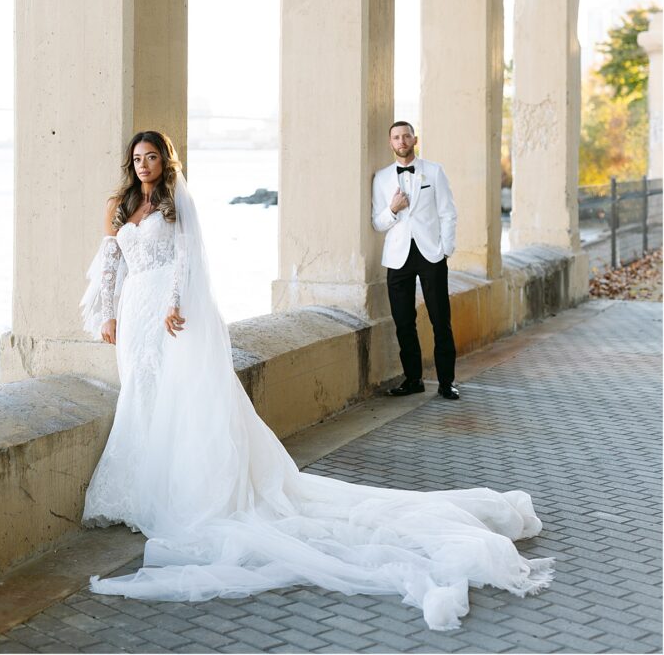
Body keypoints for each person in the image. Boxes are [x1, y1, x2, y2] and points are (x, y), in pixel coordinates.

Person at [81, 129, 553, 631]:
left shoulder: (177, 203)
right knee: (141, 394)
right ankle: (139, 489)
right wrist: (107, 314)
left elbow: (186, 258)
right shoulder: (119, 203)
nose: (144, 164)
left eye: (152, 157)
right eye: (137, 158)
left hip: (167, 314)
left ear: (165, 160)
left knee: (168, 398)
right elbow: (109, 262)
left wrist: (176, 303)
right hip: (133, 315)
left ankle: (171, 492)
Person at [372, 121, 459, 399]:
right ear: (390, 143)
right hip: (398, 258)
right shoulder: (382, 178)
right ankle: (413, 380)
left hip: (430, 254)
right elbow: (377, 223)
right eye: (396, 137)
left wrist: (445, 249)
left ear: (415, 139)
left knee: (440, 320)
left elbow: (448, 212)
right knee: (403, 321)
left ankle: (447, 383)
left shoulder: (434, 171)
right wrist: (393, 209)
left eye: (406, 136)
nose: (402, 141)